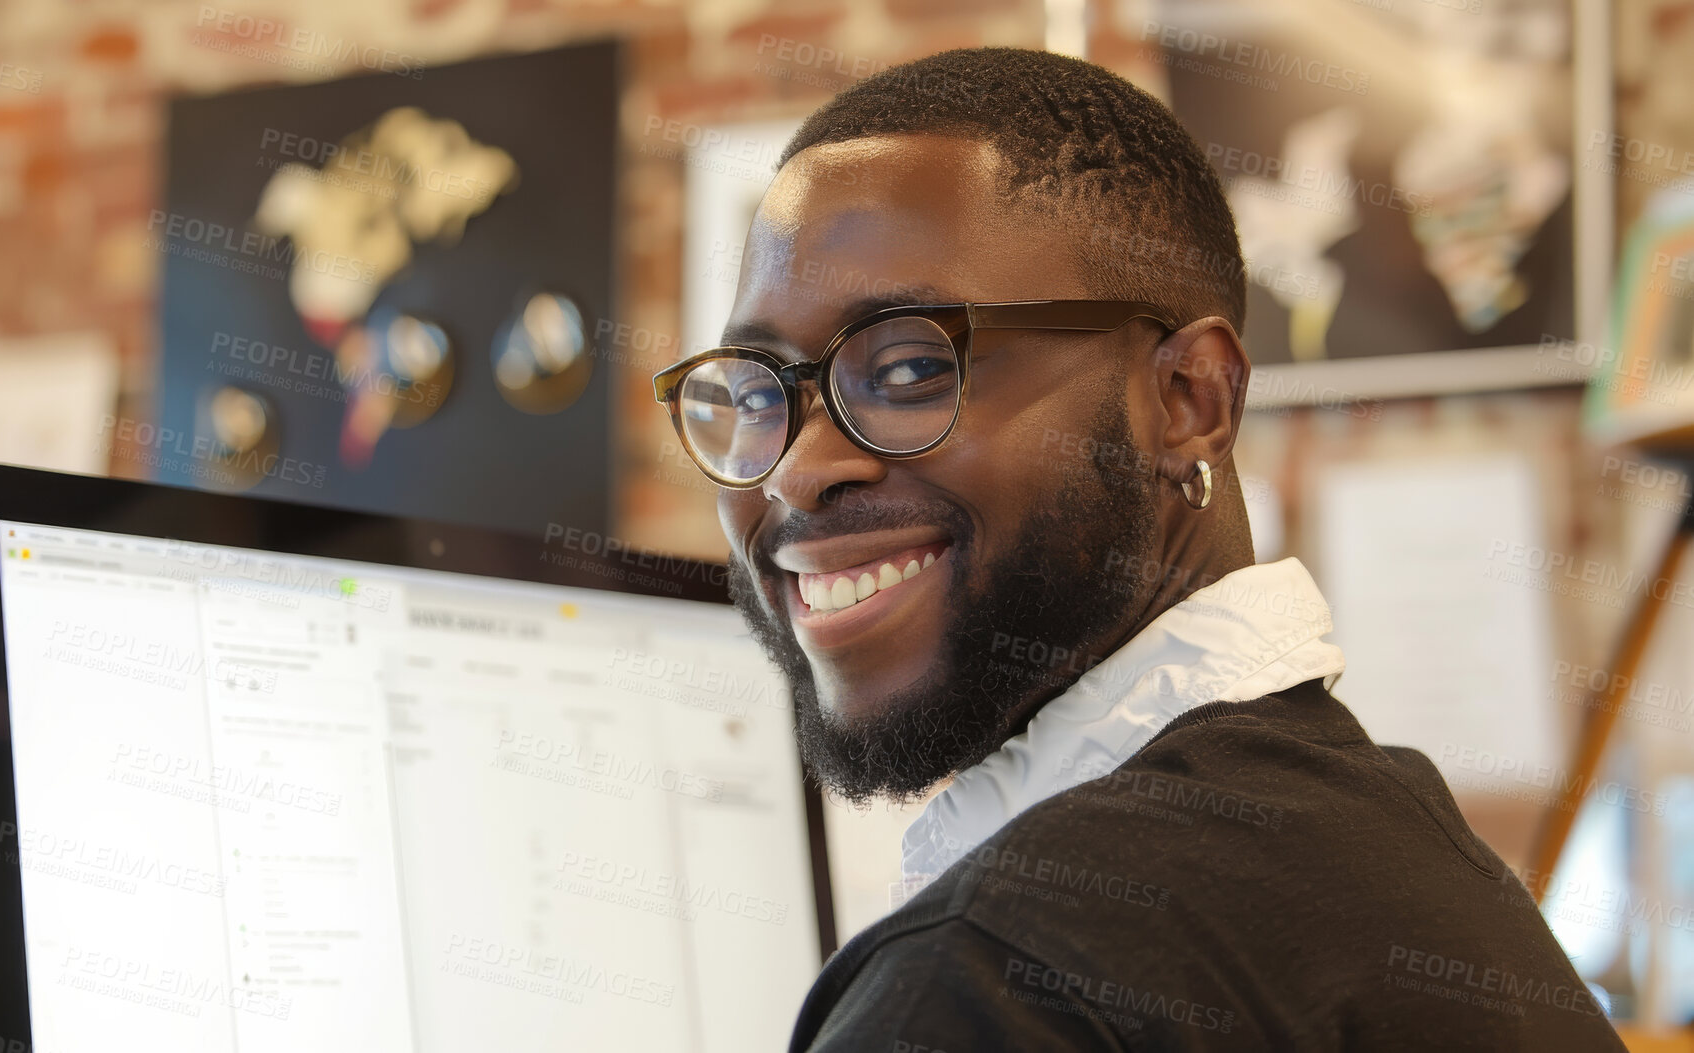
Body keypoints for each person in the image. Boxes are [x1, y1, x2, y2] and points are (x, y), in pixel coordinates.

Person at [650, 47, 1624, 1051]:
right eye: (759, 390)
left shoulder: (998, 983)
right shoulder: (1400, 846)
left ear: (1188, 401)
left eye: (907, 368)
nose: (797, 472)